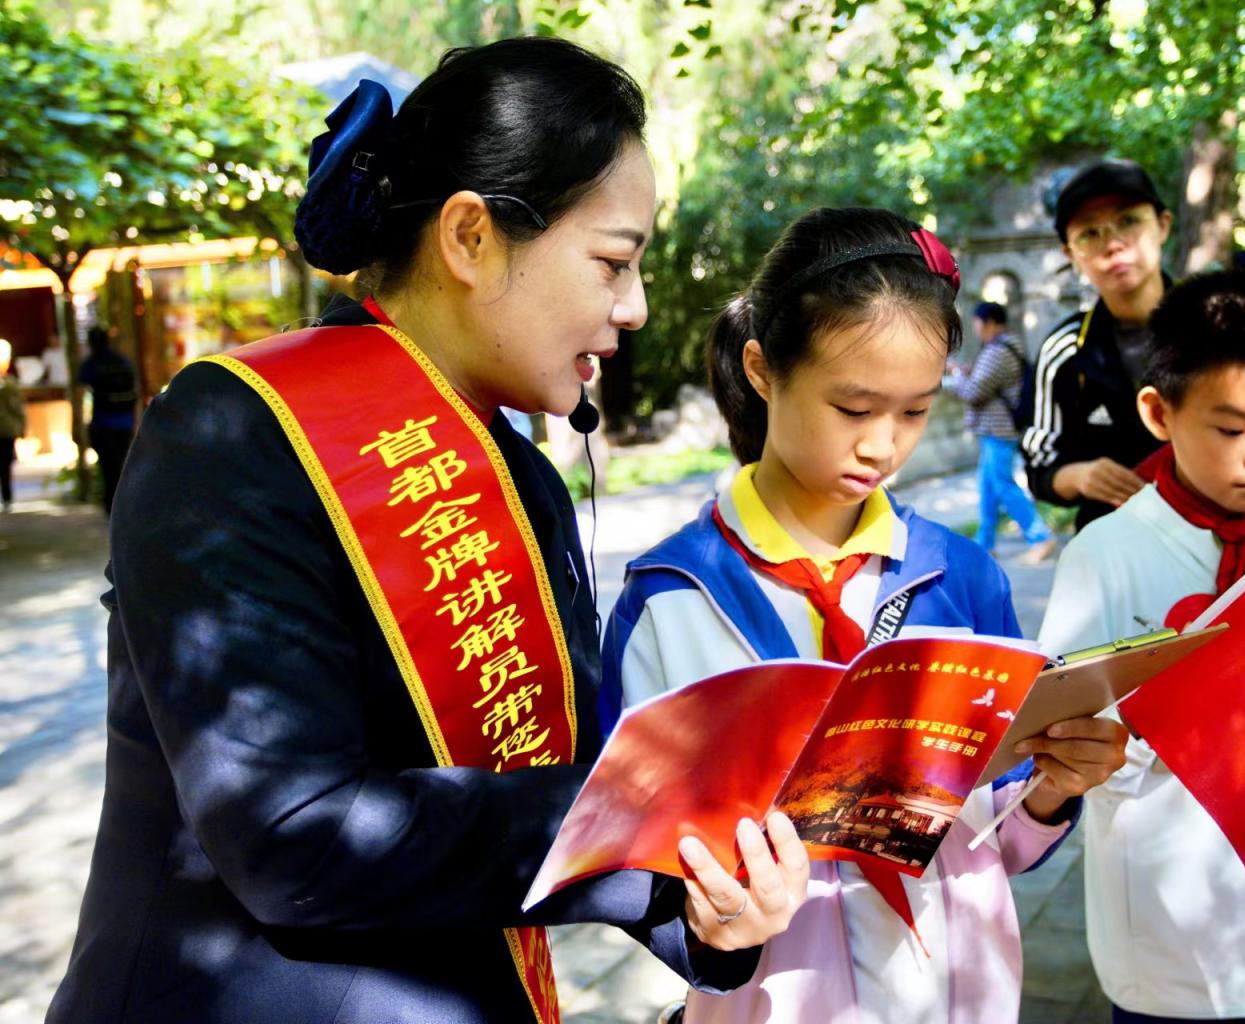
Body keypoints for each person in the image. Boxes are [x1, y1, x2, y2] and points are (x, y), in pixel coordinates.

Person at [46, 38, 808, 1024]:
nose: (636, 307)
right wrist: (655, 812)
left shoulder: (526, 485)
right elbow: (294, 835)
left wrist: (709, 901)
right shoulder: (238, 432)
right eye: (613, 262)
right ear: (470, 237)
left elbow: (555, 776)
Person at [601, 207, 1130, 1023]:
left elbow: (1002, 831)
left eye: (914, 412)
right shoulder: (671, 600)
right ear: (762, 369)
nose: (884, 446)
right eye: (854, 409)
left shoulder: (961, 580)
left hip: (962, 997)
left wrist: (1054, 789)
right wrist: (709, 921)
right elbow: (631, 864)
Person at [1037, 271, 1245, 1022]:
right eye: (1232, 429)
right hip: (1166, 929)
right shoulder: (1104, 556)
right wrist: (1182, 719)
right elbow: (1058, 743)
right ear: (1159, 412)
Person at [1022, 159, 1173, 529]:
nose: (1114, 245)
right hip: (1120, 546)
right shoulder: (1065, 351)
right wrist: (1081, 476)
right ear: (1070, 254)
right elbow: (1041, 466)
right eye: (1090, 233)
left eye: (1128, 221)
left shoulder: (1225, 322)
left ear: (1163, 225)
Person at [948, 301, 1054, 559]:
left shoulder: (997, 351)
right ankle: (984, 545)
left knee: (1003, 484)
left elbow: (973, 392)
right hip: (996, 429)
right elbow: (990, 381)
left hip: (999, 430)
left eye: (977, 323)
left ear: (990, 323)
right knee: (988, 486)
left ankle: (1040, 537)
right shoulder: (1009, 346)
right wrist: (969, 372)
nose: (976, 329)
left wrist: (956, 373)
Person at [77, 325, 138, 513]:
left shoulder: (92, 364)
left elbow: (81, 394)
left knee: (108, 467)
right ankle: (124, 504)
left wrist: (79, 423)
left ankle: (112, 506)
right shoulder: (123, 361)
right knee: (123, 463)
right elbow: (134, 392)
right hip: (125, 422)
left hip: (103, 423)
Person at [0, 338, 24, 511]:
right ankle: (7, 497)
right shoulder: (11, 385)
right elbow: (18, 410)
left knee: (5, 464)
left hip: (7, 430)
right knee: (5, 465)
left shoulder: (10, 385)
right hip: (7, 430)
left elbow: (18, 409)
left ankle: (7, 497)